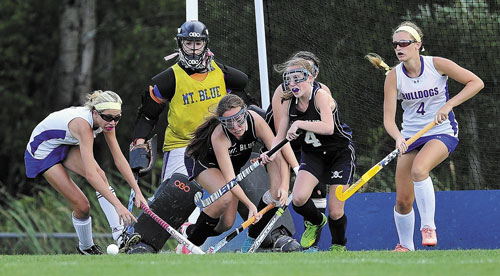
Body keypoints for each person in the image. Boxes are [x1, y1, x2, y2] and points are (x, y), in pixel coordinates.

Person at [366, 21, 484, 252]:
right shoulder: (394, 77)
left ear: (417, 44)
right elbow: (389, 120)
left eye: (404, 43)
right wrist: (399, 138)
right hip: (410, 136)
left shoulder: (437, 64)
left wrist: (449, 105)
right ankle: (405, 247)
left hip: (441, 131)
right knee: (402, 200)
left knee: (419, 169)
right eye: (395, 44)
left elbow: (476, 82)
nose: (399, 48)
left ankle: (428, 227)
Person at [24, 90, 148, 255]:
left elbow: (119, 159)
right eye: (108, 117)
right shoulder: (84, 126)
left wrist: (137, 192)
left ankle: (120, 236)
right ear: (95, 113)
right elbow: (90, 175)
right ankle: (86, 247)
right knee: (83, 206)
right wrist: (118, 206)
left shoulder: (107, 121)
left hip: (64, 143)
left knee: (102, 177)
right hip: (42, 151)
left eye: (117, 118)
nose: (112, 122)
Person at [132, 20, 250, 184]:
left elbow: (245, 106)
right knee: (174, 199)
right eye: (188, 43)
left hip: (216, 143)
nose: (193, 49)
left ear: (205, 44)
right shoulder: (170, 78)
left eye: (198, 43)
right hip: (182, 146)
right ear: (180, 43)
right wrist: (139, 144)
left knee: (225, 197)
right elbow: (147, 115)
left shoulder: (221, 74)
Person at [263, 57, 356, 251]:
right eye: (289, 79)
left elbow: (328, 128)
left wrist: (298, 124)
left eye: (298, 78)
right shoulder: (289, 103)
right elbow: (280, 136)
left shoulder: (320, 95)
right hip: (314, 155)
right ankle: (315, 221)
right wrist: (270, 153)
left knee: (336, 211)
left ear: (311, 78)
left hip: (339, 153)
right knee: (298, 199)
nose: (293, 84)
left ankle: (339, 246)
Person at [178, 94, 288, 254]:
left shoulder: (255, 121)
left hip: (229, 164)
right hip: (202, 161)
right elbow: (230, 181)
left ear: (245, 112)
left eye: (238, 119)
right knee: (224, 198)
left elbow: (278, 154)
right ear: (221, 122)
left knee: (227, 223)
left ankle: (190, 231)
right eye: (228, 122)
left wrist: (284, 186)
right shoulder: (219, 136)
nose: (236, 126)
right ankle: (190, 245)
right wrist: (250, 205)